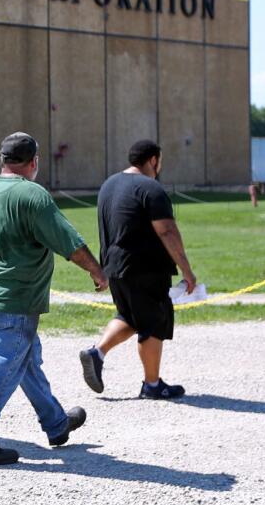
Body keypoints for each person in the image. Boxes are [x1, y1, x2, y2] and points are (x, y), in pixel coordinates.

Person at [0, 133, 107, 465]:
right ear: (34, 162)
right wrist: (97, 272)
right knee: (2, 364)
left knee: (25, 361)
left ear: (2, 160)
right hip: (18, 297)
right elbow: (67, 240)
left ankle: (56, 424)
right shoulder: (32, 194)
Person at [79, 140, 197, 400]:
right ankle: (153, 385)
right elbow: (166, 230)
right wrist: (186, 270)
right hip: (146, 267)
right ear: (153, 160)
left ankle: (96, 353)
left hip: (114, 265)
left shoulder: (108, 185)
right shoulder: (151, 188)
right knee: (153, 323)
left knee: (130, 316)